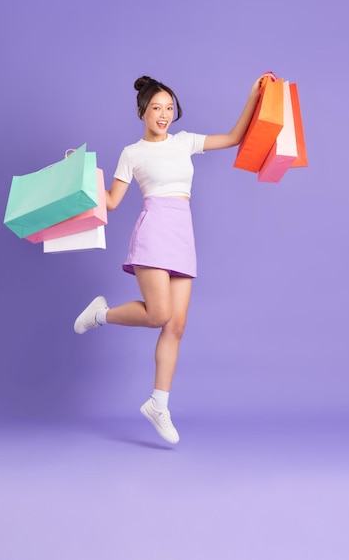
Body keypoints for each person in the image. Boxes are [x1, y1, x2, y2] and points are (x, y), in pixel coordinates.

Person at [74, 74, 263, 445]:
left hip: (182, 235)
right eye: (157, 108)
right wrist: (83, 175)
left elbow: (234, 138)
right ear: (143, 111)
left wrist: (254, 95)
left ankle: (158, 403)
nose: (164, 114)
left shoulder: (185, 142)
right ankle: (100, 314)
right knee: (158, 314)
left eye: (169, 108)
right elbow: (111, 201)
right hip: (153, 232)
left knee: (175, 325)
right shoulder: (132, 153)